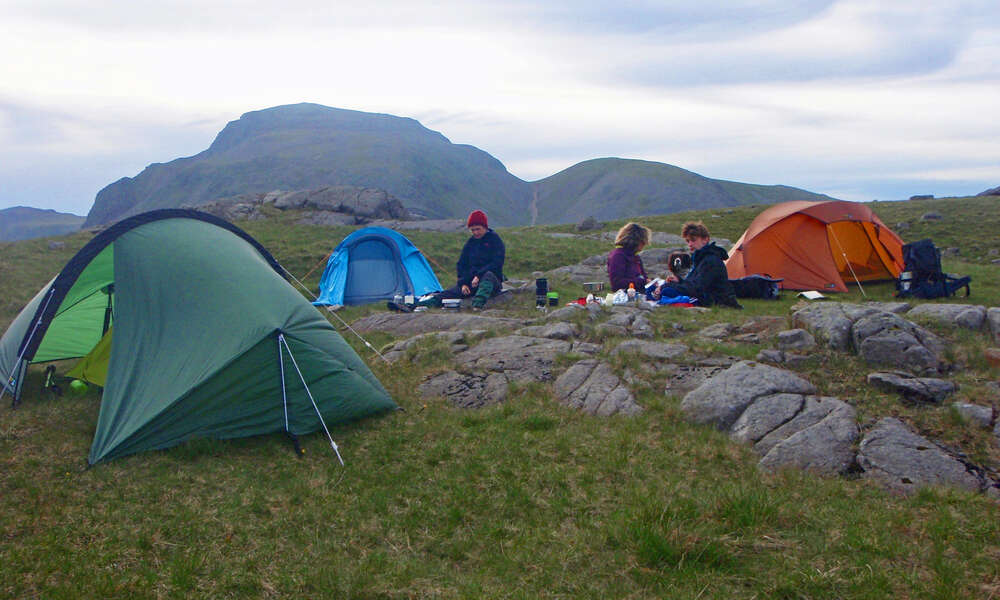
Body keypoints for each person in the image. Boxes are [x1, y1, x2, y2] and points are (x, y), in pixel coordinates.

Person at [416, 209, 505, 310]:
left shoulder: (495, 240)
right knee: (447, 294)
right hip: (471, 283)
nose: (475, 232)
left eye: (478, 229)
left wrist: (479, 276)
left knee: (488, 276)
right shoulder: (470, 243)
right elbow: (461, 265)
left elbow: (497, 263)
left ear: (485, 227)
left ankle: (477, 305)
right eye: (473, 230)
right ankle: (419, 305)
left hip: (492, 281)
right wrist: (463, 283)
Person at [651, 221, 741, 308]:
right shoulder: (700, 259)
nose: (690, 244)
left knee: (667, 292)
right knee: (664, 291)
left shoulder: (711, 261)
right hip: (706, 298)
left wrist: (668, 286)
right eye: (688, 241)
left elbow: (697, 289)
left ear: (705, 240)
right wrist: (679, 281)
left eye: (693, 240)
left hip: (717, 302)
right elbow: (694, 284)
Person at [607, 222, 651, 295]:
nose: (644, 246)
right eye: (642, 242)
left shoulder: (635, 256)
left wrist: (650, 281)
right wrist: (642, 282)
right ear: (635, 241)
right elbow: (617, 283)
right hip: (625, 294)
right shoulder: (618, 256)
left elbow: (643, 276)